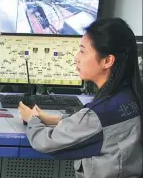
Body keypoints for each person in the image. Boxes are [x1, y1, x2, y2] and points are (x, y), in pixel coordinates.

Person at [18, 18, 142, 178]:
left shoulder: (101, 113)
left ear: (107, 61)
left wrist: (32, 119)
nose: (76, 57)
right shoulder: (130, 96)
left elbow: (47, 142)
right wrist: (53, 119)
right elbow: (93, 126)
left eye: (83, 51)